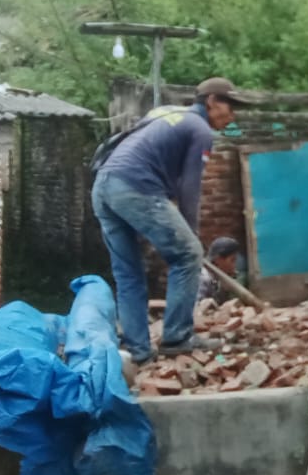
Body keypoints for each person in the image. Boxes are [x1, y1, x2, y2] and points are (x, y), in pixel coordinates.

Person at [93, 77, 251, 364]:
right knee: (188, 254)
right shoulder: (200, 129)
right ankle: (177, 337)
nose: (233, 115)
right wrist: (192, 235)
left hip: (104, 186)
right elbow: (190, 187)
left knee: (128, 273)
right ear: (213, 101)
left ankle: (138, 352)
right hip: (134, 187)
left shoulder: (165, 112)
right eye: (231, 106)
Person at [198, 237, 245, 304]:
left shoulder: (215, 279)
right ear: (218, 260)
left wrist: (224, 289)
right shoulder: (203, 278)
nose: (234, 266)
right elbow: (197, 308)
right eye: (232, 260)